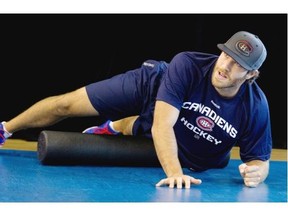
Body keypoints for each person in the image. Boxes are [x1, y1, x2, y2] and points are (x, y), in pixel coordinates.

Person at [0, 31, 272, 189]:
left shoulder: (256, 107)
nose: (225, 66)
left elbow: (260, 160)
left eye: (237, 64)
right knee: (66, 104)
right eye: (226, 55)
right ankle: (5, 128)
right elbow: (162, 125)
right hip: (153, 87)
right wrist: (175, 174)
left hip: (183, 127)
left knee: (206, 157)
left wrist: (258, 172)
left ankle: (116, 126)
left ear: (251, 74)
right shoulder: (188, 65)